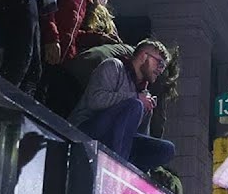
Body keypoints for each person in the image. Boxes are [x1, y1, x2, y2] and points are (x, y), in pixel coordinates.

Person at [67, 39, 176, 171]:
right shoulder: (114, 66)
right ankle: (116, 171)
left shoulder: (143, 94)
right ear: (143, 56)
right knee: (134, 106)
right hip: (86, 130)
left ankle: (131, 179)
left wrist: (146, 110)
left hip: (118, 142)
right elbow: (95, 100)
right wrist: (136, 98)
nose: (160, 70)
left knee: (166, 149)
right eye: (159, 63)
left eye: (163, 66)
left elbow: (139, 135)